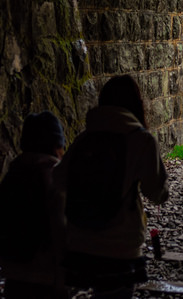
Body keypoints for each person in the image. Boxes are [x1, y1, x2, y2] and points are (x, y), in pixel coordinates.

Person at [55, 75, 169, 299]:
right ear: (136, 103)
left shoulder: (85, 138)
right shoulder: (141, 140)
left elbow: (58, 180)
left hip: (81, 240)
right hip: (120, 244)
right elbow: (155, 192)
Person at [0, 111, 68, 299]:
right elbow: (60, 229)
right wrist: (64, 277)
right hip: (47, 277)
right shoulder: (55, 178)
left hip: (13, 275)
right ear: (56, 145)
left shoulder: (12, 176)